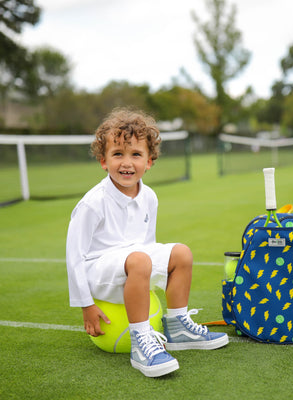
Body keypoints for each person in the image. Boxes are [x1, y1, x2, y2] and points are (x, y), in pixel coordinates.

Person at [66, 107, 228, 378]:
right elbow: (75, 257)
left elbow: (147, 245)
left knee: (181, 253)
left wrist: (150, 272)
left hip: (134, 263)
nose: (126, 162)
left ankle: (178, 327)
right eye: (117, 154)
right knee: (140, 259)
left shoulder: (149, 196)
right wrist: (86, 305)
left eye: (136, 154)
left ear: (149, 161)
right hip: (100, 272)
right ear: (103, 161)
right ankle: (142, 343)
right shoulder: (92, 203)